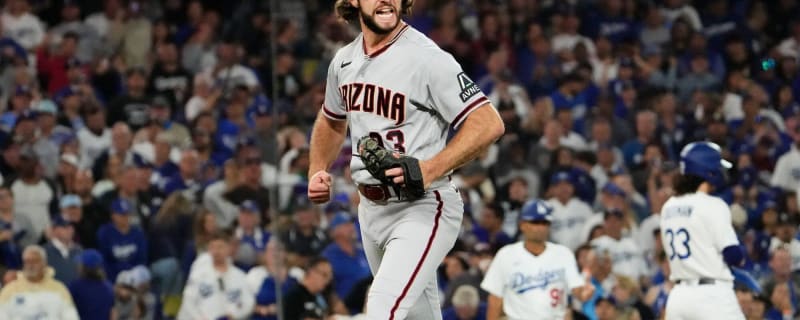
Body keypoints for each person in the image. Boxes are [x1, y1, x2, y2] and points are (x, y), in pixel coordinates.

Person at [307, 1, 505, 319]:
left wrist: (431, 168)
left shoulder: (427, 58)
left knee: (383, 308)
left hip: (422, 205)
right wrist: (318, 168)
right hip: (370, 210)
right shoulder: (344, 61)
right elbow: (332, 120)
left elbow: (488, 122)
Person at [659, 141, 746, 319]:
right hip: (711, 296)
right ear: (709, 171)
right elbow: (733, 255)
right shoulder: (713, 205)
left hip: (678, 297)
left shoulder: (668, 207)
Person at [480, 199, 594, 320]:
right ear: (522, 225)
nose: (540, 227)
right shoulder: (506, 255)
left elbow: (577, 290)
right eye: (535, 222)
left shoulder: (563, 254)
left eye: (544, 222)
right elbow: (494, 300)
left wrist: (584, 293)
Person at [177, 230, 254, 320]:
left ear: (228, 248)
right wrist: (199, 318)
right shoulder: (199, 274)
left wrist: (234, 315)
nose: (216, 251)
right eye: (213, 247)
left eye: (220, 247)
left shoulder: (239, 276)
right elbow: (188, 300)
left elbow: (248, 303)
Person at [0, 245, 79, 319]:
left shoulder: (59, 289)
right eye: (27, 261)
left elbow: (70, 316)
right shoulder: (9, 290)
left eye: (35, 261)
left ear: (44, 263)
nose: (30, 265)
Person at [67, 249, 114, 320]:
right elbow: (112, 313)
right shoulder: (108, 286)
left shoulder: (75, 286)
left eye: (80, 264)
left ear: (84, 267)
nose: (78, 266)